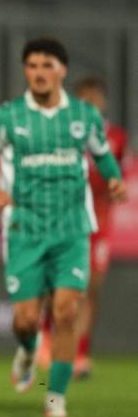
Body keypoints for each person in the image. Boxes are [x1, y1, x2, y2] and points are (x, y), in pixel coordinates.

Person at [0, 39, 127, 417]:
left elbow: (103, 156)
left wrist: (116, 180)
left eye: (46, 65)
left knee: (67, 310)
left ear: (62, 70)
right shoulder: (8, 116)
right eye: (32, 66)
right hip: (25, 229)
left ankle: (56, 395)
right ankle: (26, 348)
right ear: (26, 71)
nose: (39, 72)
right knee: (25, 319)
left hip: (72, 230)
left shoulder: (84, 116)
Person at [36, 77, 129, 378]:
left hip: (99, 222)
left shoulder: (115, 136)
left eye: (96, 98)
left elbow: (118, 176)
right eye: (85, 98)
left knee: (91, 288)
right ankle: (48, 339)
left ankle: (79, 352)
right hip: (66, 218)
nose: (92, 104)